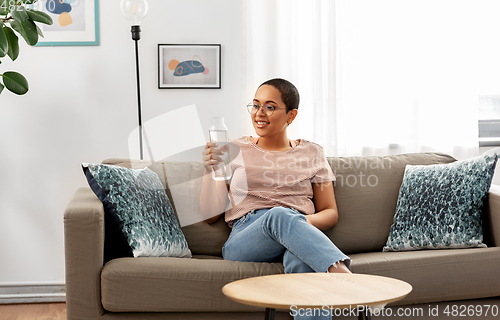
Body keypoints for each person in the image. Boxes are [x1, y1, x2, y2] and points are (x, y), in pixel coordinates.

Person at [200, 78, 351, 320]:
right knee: (279, 215)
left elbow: (330, 213)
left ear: (291, 116)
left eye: (270, 107)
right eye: (255, 105)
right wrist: (211, 170)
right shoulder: (232, 149)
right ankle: (342, 274)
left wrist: (294, 226)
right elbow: (210, 216)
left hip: (297, 230)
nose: (259, 113)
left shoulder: (313, 152)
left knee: (300, 257)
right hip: (245, 237)